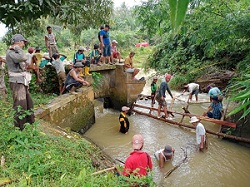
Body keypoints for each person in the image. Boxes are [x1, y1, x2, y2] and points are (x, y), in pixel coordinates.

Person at [6, 34, 35, 130]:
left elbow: (25, 62)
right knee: (20, 104)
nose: (23, 44)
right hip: (17, 82)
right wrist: (17, 47)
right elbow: (23, 57)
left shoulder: (16, 53)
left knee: (28, 102)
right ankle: (19, 127)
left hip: (22, 81)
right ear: (18, 42)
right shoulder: (11, 52)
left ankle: (29, 123)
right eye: (22, 42)